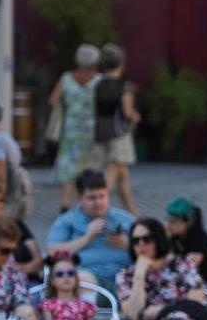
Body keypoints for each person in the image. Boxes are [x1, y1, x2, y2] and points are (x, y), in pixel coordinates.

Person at [48, 169, 134, 283]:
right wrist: (86, 238)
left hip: (125, 279)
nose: (98, 202)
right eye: (92, 198)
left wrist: (129, 244)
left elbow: (153, 250)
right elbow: (53, 253)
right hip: (86, 281)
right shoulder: (67, 222)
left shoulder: (126, 219)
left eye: (102, 196)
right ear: (80, 199)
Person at [49, 46, 102, 208]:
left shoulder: (66, 78)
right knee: (91, 167)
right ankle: (87, 203)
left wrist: (67, 106)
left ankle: (65, 203)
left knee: (68, 167)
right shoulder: (99, 80)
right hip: (92, 131)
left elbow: (53, 100)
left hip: (71, 130)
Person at [95, 44, 140, 214]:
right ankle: (98, 204)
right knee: (113, 171)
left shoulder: (98, 84)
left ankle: (132, 213)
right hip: (119, 131)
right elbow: (127, 112)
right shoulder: (124, 86)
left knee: (123, 176)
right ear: (121, 63)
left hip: (102, 129)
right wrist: (135, 116)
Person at [163, 196, 207, 284]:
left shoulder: (200, 239)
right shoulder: (173, 235)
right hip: (178, 281)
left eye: (173, 221)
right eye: (167, 219)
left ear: (187, 222)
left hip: (203, 282)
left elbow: (187, 267)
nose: (168, 224)